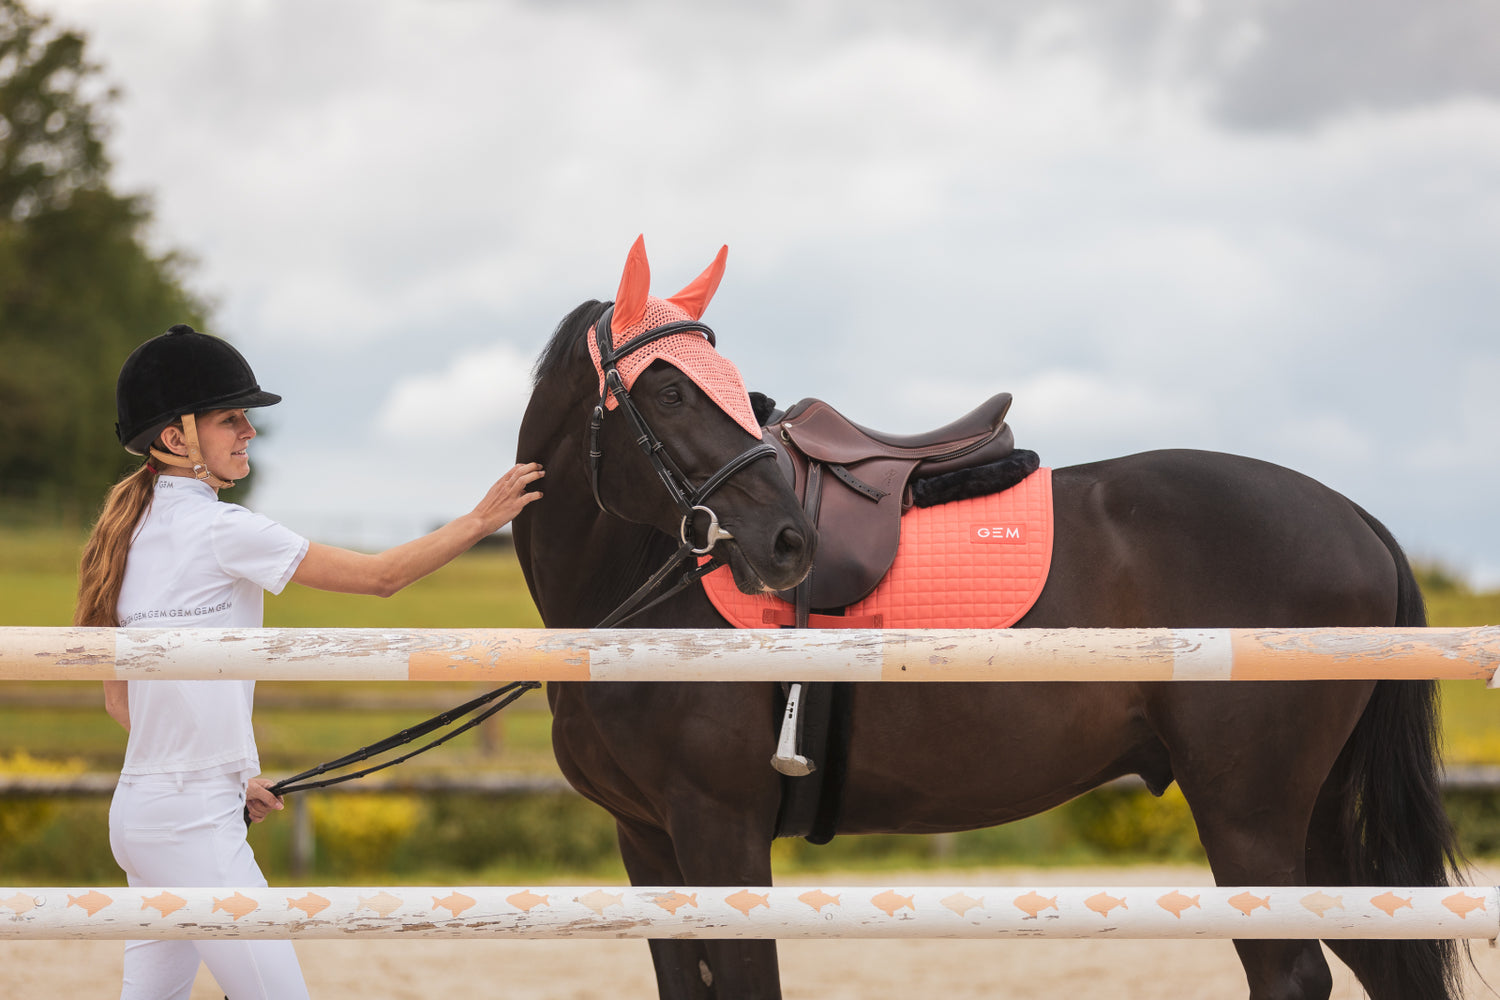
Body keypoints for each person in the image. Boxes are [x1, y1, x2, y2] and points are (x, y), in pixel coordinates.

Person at [74, 324, 543, 1000]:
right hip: (195, 826)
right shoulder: (222, 529)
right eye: (230, 419)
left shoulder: (129, 533)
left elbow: (123, 703)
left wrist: (233, 777)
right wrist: (480, 519)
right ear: (176, 439)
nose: (248, 432)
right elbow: (380, 577)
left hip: (140, 815)